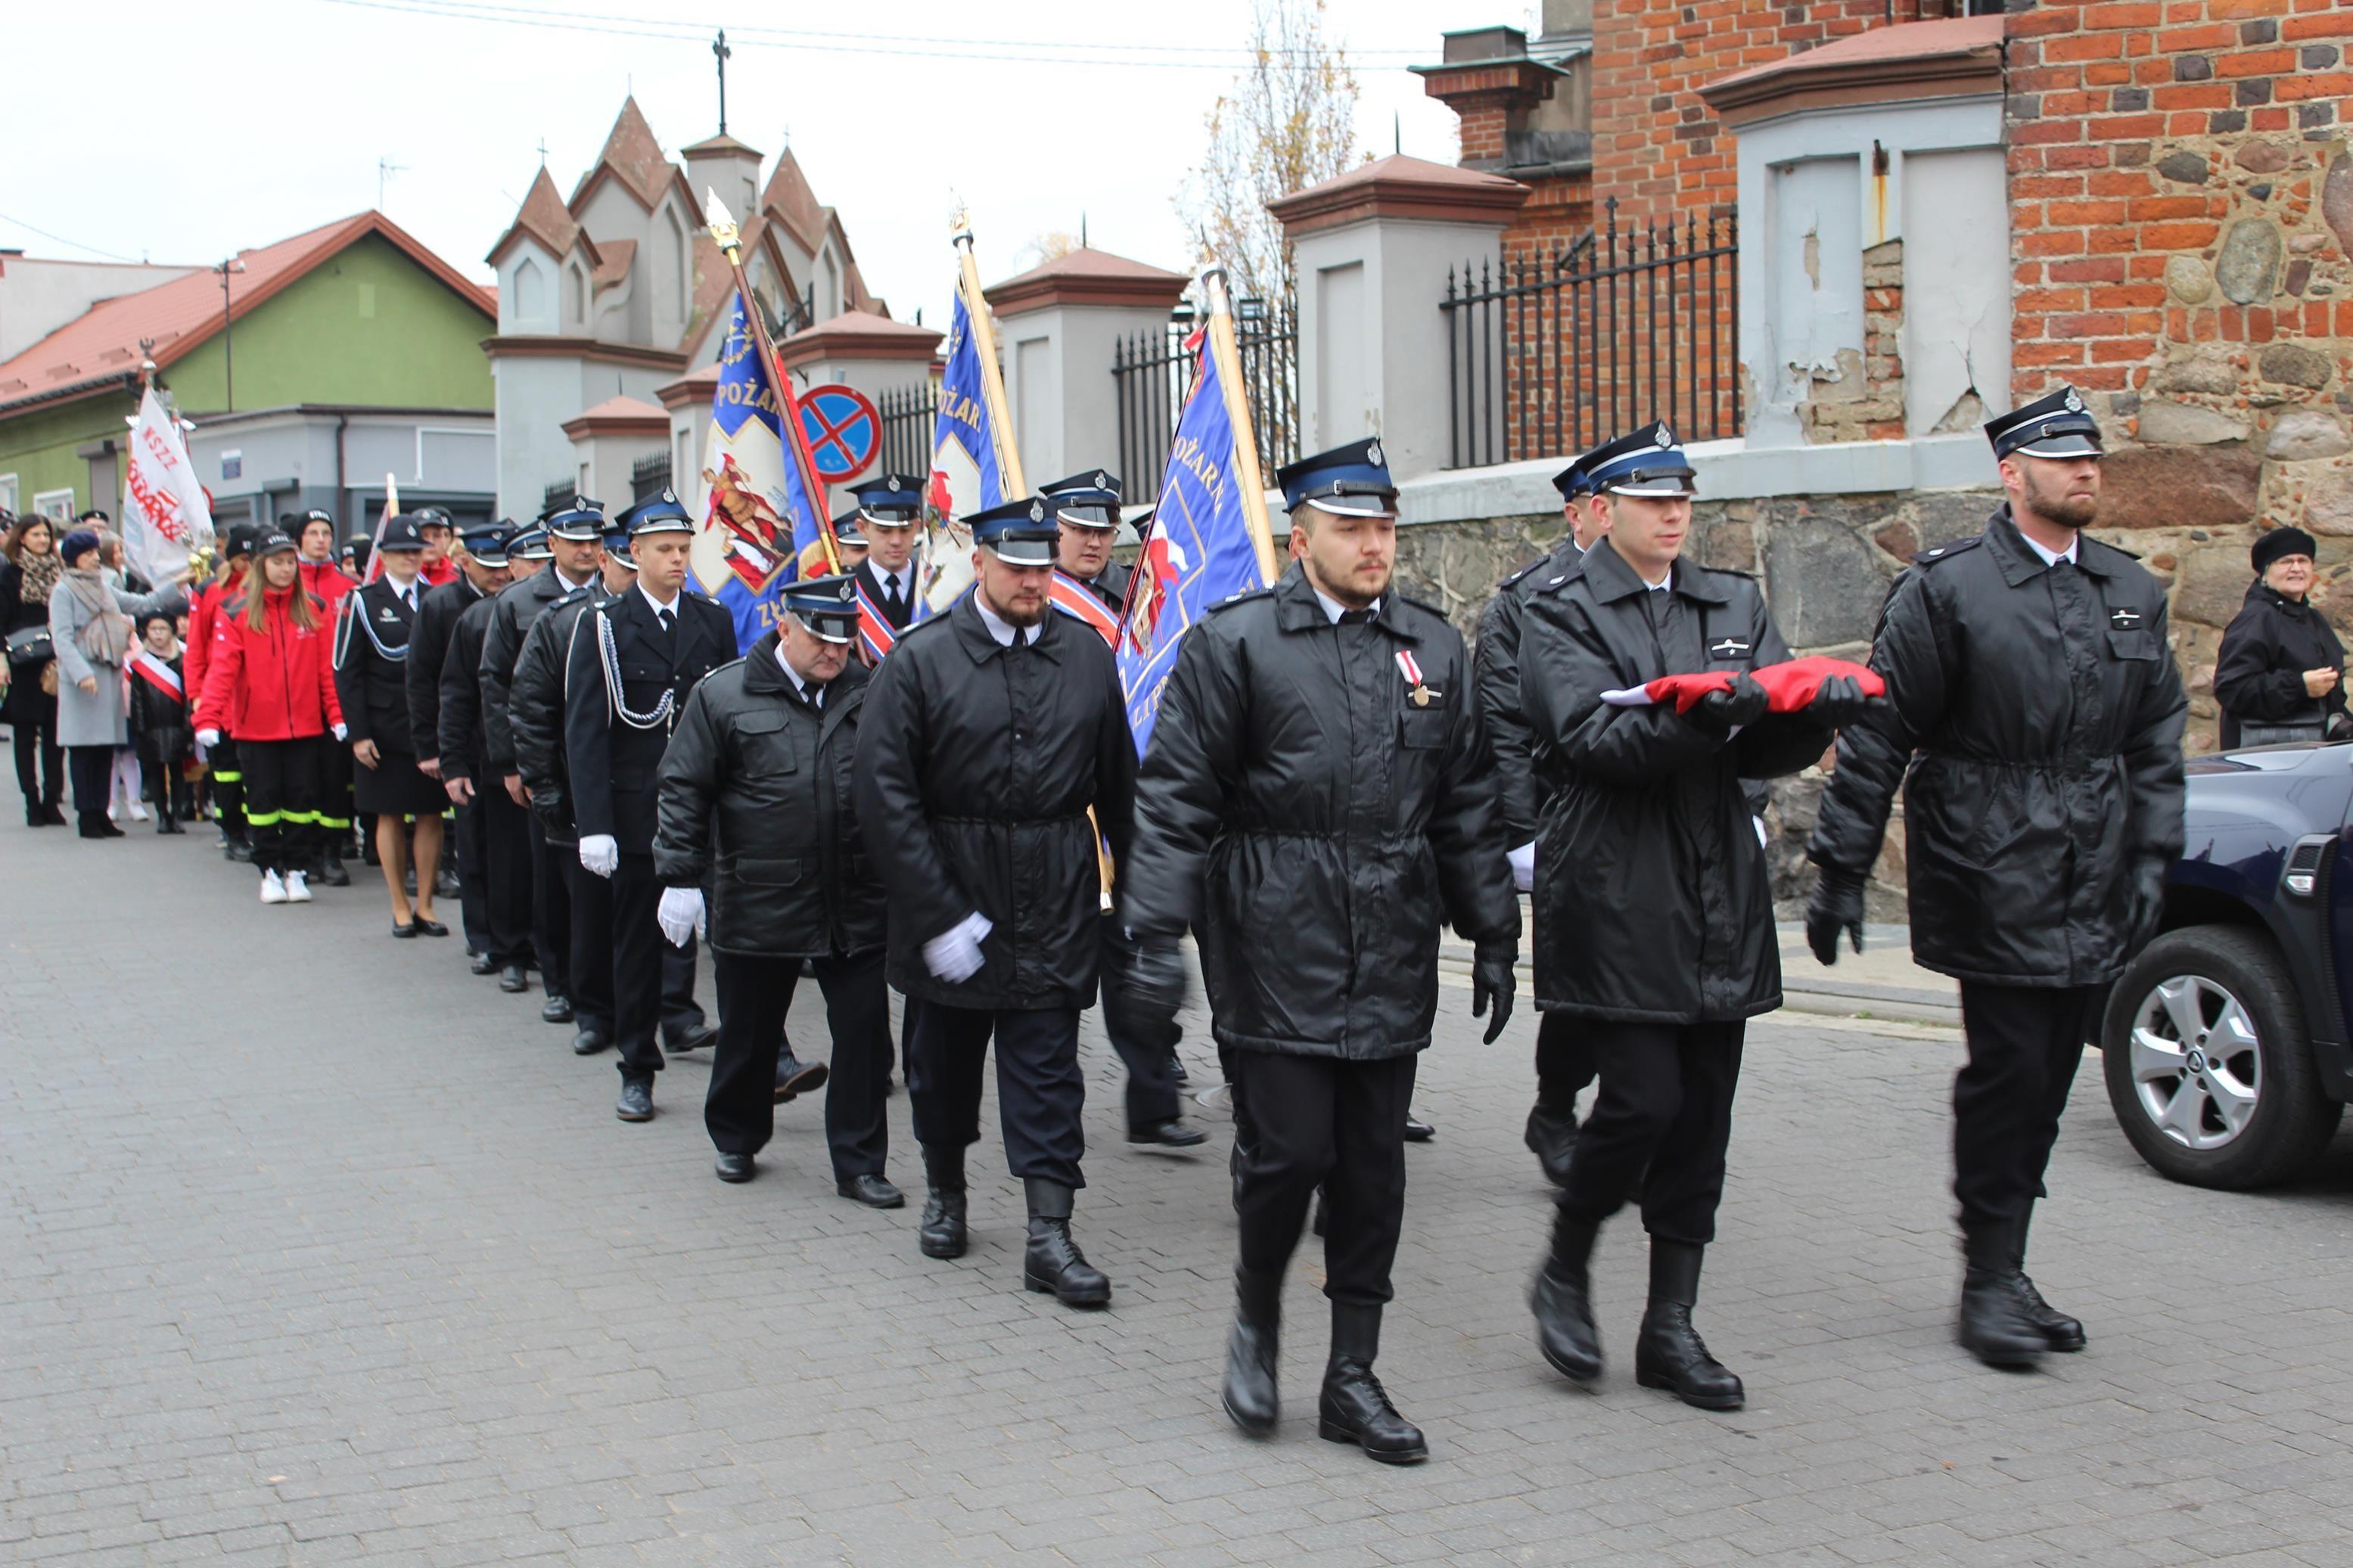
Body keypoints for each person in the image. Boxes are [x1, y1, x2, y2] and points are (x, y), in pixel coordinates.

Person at [1115, 438, 1518, 1462]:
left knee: (1372, 1173)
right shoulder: (1236, 645)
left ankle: (1352, 1374)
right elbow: (1173, 800)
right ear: (1302, 539)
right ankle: (1256, 1319)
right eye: (1351, 527)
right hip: (1271, 938)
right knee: (1287, 1155)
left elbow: (1465, 800)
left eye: (1384, 525)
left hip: (1389, 943)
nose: (1374, 544)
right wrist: (1154, 933)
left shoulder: (1431, 648)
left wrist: (1493, 929)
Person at [1807, 386, 2187, 1370]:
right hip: (1990, 863)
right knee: (2006, 1075)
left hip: (2090, 865)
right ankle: (1983, 1279)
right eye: (2062, 457)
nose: (2085, 470)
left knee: (2054, 1076)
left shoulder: (2127, 589)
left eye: (2090, 456)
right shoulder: (1950, 588)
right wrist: (1840, 867)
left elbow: (2154, 736)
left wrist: (2152, 852)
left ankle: (2007, 1263)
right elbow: (1881, 731)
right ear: (2010, 473)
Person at [1518, 422, 1860, 1414]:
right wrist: (1707, 711)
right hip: (1616, 885)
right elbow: (1592, 740)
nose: (1672, 514)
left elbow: (1757, 752)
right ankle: (1565, 1262)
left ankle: (1670, 1323)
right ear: (1605, 506)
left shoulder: (1729, 600)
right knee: (1639, 1100)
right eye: (1650, 498)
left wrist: (1811, 712)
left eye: (1682, 498)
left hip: (1716, 882)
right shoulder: (1560, 608)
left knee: (1702, 1116)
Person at [854, 496, 1135, 1305]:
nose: (1031, 581)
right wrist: (937, 911)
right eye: (1015, 566)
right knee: (941, 1072)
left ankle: (1050, 1234)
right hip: (952, 889)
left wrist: (1146, 897)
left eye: (1042, 566)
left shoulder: (1085, 656)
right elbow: (884, 795)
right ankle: (946, 1191)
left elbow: (1120, 788)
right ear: (977, 563)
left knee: (1048, 1072)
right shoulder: (922, 660)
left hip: (1053, 892)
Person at [654, 573, 901, 1200]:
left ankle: (860, 1161)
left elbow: (902, 780)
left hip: (854, 895)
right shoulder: (725, 694)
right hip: (759, 890)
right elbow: (685, 785)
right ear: (784, 625)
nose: (835, 652)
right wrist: (680, 876)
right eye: (821, 638)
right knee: (750, 1030)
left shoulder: (871, 692)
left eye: (845, 640)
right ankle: (736, 1137)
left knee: (865, 1035)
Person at [1040, 467, 1204, 1149]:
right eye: (1080, 529)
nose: (1095, 542)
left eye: (1104, 530)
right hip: (1056, 816)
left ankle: (1154, 1102)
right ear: (1052, 532)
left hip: (1121, 807)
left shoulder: (1127, 598)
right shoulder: (1035, 604)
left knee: (1134, 953)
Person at [563, 492, 732, 1122]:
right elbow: (586, 730)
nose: (678, 560)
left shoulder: (711, 620)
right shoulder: (604, 625)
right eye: (665, 549)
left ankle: (763, 1055)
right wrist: (595, 825)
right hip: (637, 814)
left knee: (735, 938)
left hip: (704, 810)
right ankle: (637, 1067)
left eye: (685, 549)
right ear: (633, 553)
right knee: (636, 946)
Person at [1474, 456, 1609, 1188]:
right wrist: (1520, 837)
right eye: (1607, 500)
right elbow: (1502, 728)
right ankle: (1555, 1108)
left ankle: (1623, 1122)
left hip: (1657, 822)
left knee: (1653, 985)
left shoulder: (1679, 591)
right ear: (1577, 514)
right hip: (1568, 820)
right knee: (1582, 985)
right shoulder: (1525, 604)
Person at [483, 500, 608, 1028]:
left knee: (596, 887)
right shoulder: (519, 601)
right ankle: (556, 981)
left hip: (599, 763)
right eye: (573, 540)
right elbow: (499, 686)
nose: (585, 549)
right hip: (547, 761)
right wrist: (512, 765)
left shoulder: (613, 595)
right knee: (550, 882)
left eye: (592, 540)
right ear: (551, 544)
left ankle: (600, 987)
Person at [509, 523, 629, 1053]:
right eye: (625, 559)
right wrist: (542, 782)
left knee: (648, 913)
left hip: (649, 794)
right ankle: (591, 1010)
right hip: (583, 789)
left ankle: (671, 1011)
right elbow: (531, 706)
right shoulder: (567, 621)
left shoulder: (687, 620)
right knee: (587, 910)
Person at [194, 529, 347, 902]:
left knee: (300, 803)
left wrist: (336, 715)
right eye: (277, 562)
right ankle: (269, 872)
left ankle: (297, 870)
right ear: (262, 565)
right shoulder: (238, 611)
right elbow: (222, 669)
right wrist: (208, 718)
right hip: (255, 729)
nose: (285, 569)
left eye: (290, 562)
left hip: (304, 728)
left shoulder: (313, 609)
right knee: (263, 804)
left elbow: (325, 670)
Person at [334, 515, 450, 938]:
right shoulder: (363, 600)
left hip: (428, 726)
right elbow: (347, 670)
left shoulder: (436, 597)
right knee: (389, 815)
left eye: (416, 551)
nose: (409, 559)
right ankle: (400, 904)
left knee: (431, 814)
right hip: (383, 727)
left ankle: (426, 904)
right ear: (382, 556)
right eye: (401, 552)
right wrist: (359, 733)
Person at [413, 520, 515, 967]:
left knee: (508, 851)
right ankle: (482, 935)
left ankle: (513, 932)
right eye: (488, 567)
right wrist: (434, 749)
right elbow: (425, 682)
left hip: (503, 746)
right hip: (466, 744)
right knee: (473, 846)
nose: (498, 575)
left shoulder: (514, 603)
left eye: (503, 566)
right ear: (464, 562)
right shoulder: (441, 605)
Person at [438, 526, 536, 989]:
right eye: (528, 563)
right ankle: (508, 948)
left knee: (547, 869)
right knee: (505, 862)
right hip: (498, 762)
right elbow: (457, 694)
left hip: (554, 761)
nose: (537, 572)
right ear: (512, 566)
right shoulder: (479, 618)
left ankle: (542, 947)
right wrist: (453, 762)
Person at [49, 527, 173, 839]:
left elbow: (140, 603)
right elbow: (62, 639)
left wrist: (178, 583)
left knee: (106, 748)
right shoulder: (63, 591)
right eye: (89, 553)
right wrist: (82, 674)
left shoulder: (104, 586)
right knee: (84, 750)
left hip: (108, 672)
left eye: (95, 552)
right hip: (83, 679)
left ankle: (102, 813)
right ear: (74, 558)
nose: (95, 557)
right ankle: (87, 816)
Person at [2213, 526, 2348, 747]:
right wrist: (2299, 687)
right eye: (2285, 562)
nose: (2296, 568)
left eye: (2303, 561)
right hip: (2265, 758)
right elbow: (2232, 689)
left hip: (2308, 753)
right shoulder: (2257, 618)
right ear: (2265, 573)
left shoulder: (2313, 619)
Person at [289, 509, 358, 882]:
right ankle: (306, 852)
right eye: (312, 533)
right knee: (304, 779)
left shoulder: (348, 587)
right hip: (300, 697)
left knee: (334, 779)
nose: (320, 539)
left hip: (338, 694)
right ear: (299, 539)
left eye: (326, 533)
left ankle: (332, 852)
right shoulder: (288, 583)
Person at [188, 526, 259, 860]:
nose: (247, 565)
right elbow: (197, 648)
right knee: (226, 770)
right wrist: (197, 695)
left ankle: (254, 828)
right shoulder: (211, 591)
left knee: (253, 771)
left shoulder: (261, 592)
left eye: (252, 559)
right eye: (243, 559)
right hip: (220, 696)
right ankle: (232, 832)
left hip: (254, 696)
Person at [0, 514, 67, 826]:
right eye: (36, 535)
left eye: (46, 535)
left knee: (56, 735)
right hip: (23, 663)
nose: (42, 540)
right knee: (25, 735)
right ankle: (31, 801)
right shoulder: (9, 574)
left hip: (56, 661)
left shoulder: (61, 573)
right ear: (21, 537)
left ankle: (53, 800)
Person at [126, 610, 194, 834]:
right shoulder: (140, 663)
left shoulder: (183, 660)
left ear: (172, 631)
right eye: (154, 629)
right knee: (155, 773)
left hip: (176, 725)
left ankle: (177, 815)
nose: (158, 634)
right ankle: (162, 816)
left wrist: (188, 725)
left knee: (177, 773)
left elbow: (188, 696)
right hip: (151, 727)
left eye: (163, 629)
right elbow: (137, 699)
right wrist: (140, 727)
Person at [846, 474, 927, 654]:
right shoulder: (848, 592)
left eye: (905, 530)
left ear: (917, 527)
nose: (896, 541)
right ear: (862, 528)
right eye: (885, 531)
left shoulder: (931, 586)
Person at [414, 506, 458, 588]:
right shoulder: (401, 576)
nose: (431, 542)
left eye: (437, 536)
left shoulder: (460, 580)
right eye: (424, 536)